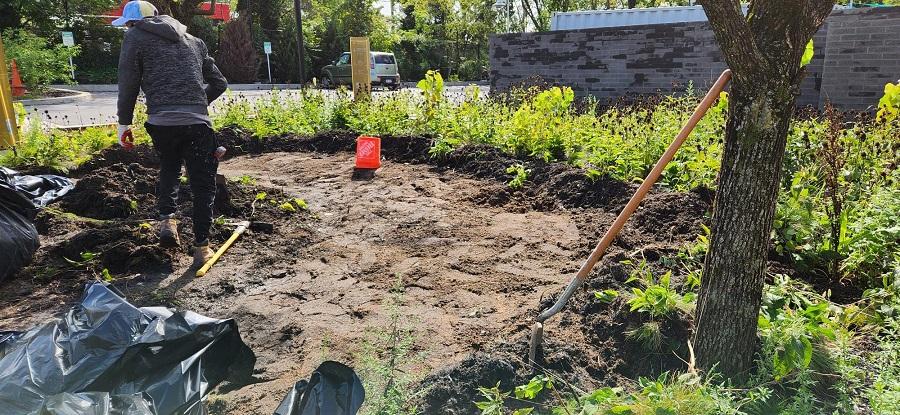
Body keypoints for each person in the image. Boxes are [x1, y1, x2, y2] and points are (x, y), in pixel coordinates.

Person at [114, 0, 228, 267]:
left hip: (161, 122)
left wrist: (124, 124)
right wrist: (198, 103)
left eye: (127, 24)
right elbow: (219, 82)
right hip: (197, 123)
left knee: (169, 167)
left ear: (134, 22)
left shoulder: (134, 36)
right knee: (203, 185)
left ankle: (167, 221)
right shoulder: (194, 41)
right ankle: (202, 248)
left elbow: (128, 81)